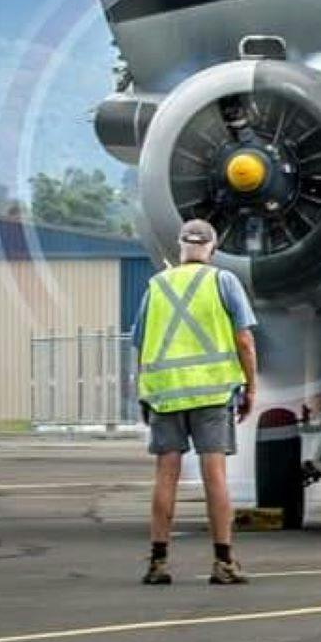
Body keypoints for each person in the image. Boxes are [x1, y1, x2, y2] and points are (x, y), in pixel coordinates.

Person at [133, 218, 258, 586]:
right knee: (214, 476)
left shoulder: (155, 286)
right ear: (213, 249)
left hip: (165, 394)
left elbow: (140, 345)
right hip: (212, 392)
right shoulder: (224, 281)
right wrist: (251, 388)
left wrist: (145, 389)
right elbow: (245, 342)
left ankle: (158, 562)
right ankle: (223, 562)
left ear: (179, 247)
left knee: (165, 477)